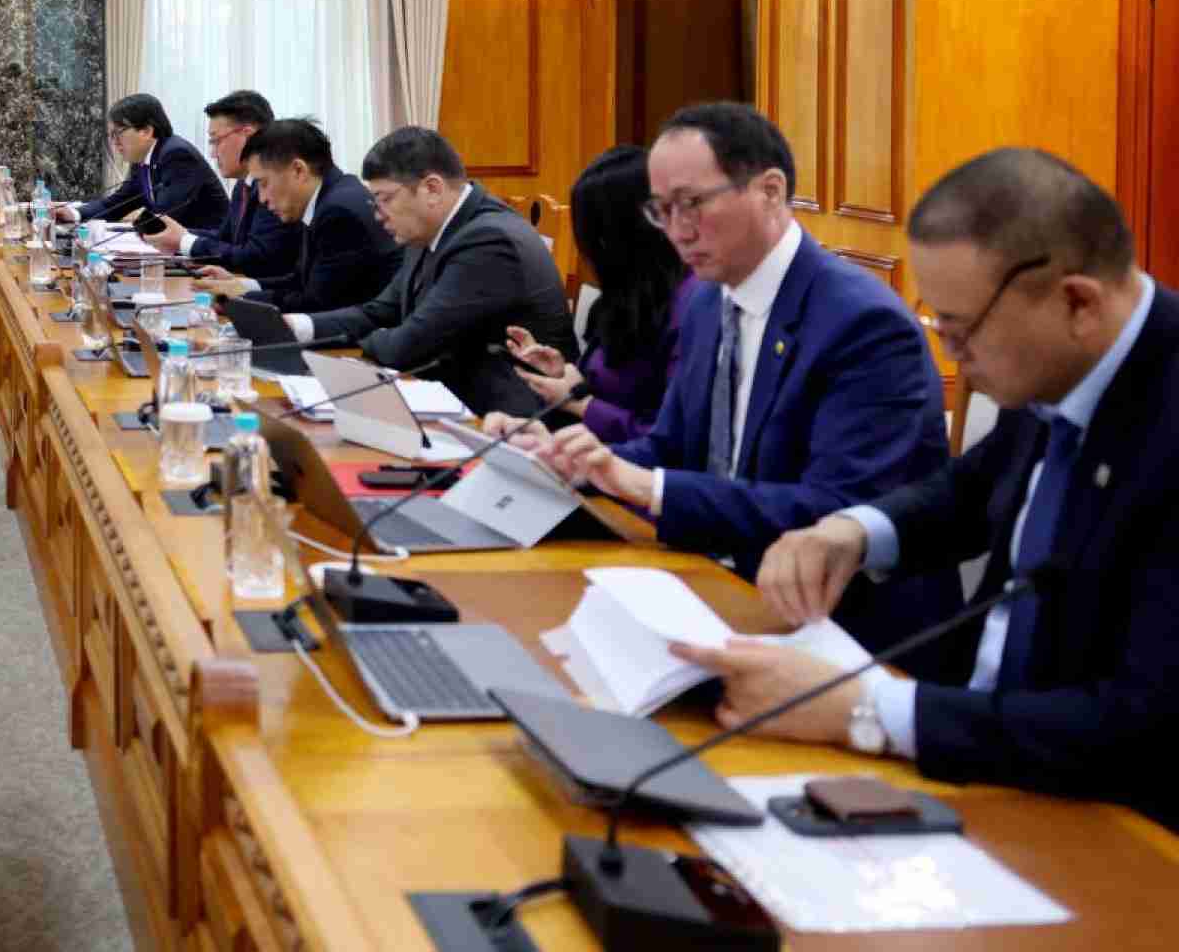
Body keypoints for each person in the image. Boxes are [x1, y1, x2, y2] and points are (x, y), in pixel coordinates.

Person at [666, 148, 1179, 830]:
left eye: (962, 333)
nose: (952, 358)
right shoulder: (1065, 361)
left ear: (1078, 302)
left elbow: (1141, 725)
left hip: (1105, 824)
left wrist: (866, 708)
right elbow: (976, 486)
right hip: (974, 765)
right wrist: (853, 531)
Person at [526, 103, 957, 654]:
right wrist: (578, 462)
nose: (677, 231)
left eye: (693, 204)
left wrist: (646, 486)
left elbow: (835, 509)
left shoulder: (862, 323)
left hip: (840, 629)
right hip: (715, 582)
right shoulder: (708, 300)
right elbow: (671, 447)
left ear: (770, 191)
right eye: (662, 210)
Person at [288, 126, 575, 416]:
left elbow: (406, 346)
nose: (377, 214)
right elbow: (378, 313)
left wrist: (375, 337)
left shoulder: (490, 241)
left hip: (511, 419)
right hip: (451, 395)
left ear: (432, 189)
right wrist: (298, 327)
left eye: (385, 199)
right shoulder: (429, 230)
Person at [490, 145, 701, 442]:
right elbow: (615, 384)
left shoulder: (694, 306)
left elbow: (671, 443)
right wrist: (563, 374)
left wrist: (580, 404)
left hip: (626, 465)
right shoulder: (629, 292)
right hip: (591, 452)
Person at [200, 118, 400, 314]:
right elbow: (301, 280)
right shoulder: (326, 196)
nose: (261, 198)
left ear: (298, 170)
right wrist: (239, 285)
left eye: (263, 183)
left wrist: (237, 299)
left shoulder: (339, 212)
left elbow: (316, 302)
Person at [138, 90, 296, 281]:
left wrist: (184, 241)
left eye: (216, 141)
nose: (213, 154)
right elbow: (225, 238)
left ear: (248, 135)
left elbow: (256, 257)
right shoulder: (243, 185)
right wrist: (177, 234)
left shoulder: (276, 187)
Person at [54, 92, 226, 231]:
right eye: (111, 135)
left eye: (118, 133)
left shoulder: (177, 155)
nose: (114, 142)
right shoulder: (143, 159)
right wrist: (73, 213)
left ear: (146, 131)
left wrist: (123, 230)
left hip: (209, 251)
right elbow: (117, 204)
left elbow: (163, 218)